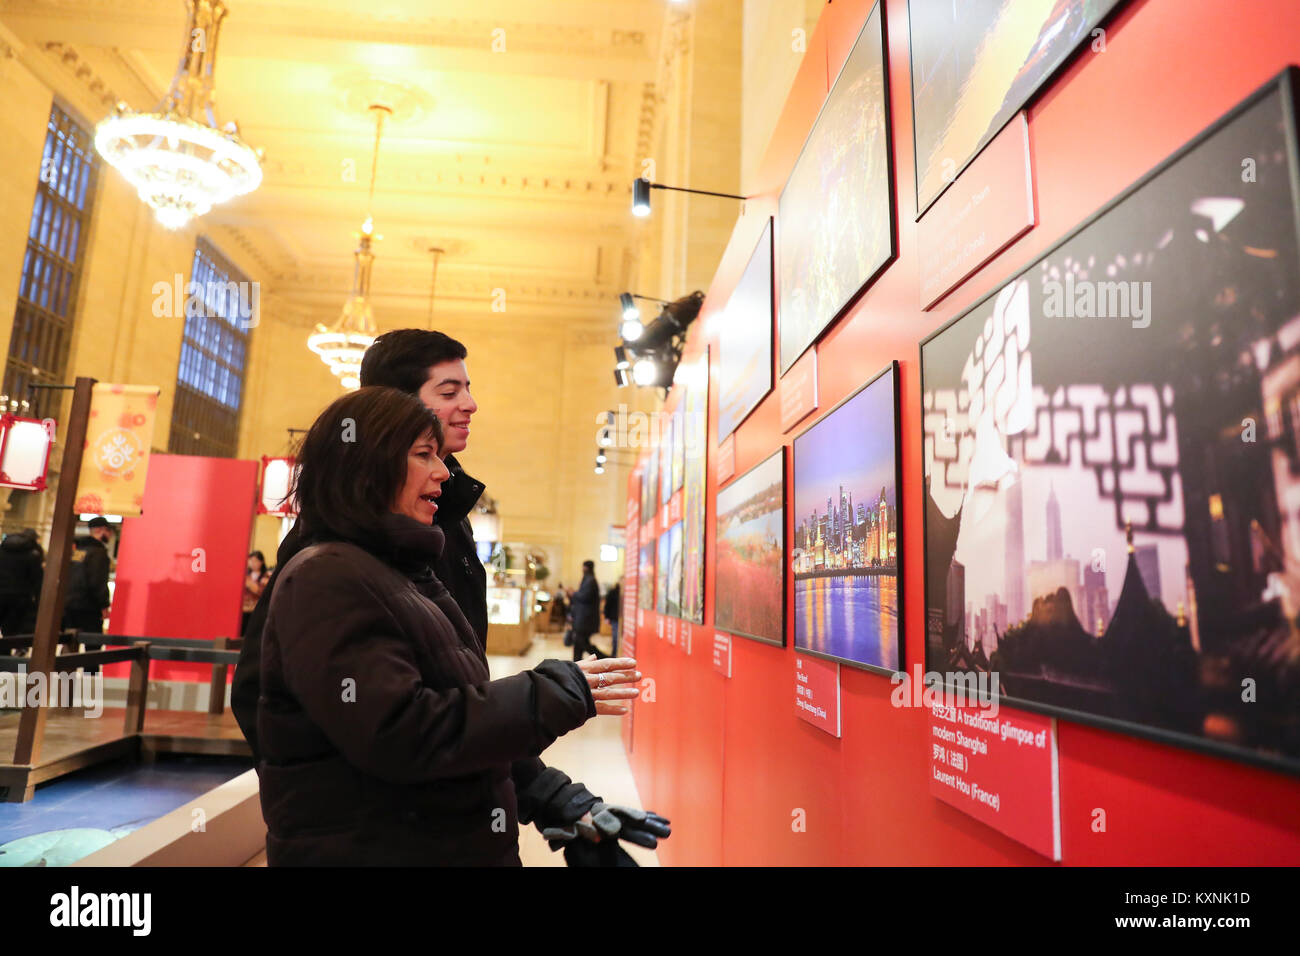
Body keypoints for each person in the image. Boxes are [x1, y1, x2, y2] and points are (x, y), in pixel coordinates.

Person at [234, 329, 669, 862]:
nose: (470, 404)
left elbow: (458, 702)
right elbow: (398, 729)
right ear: (383, 423)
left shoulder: (421, 545)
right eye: (448, 392)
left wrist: (556, 800)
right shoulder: (328, 568)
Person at [63, 516, 113, 638]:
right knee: (93, 643)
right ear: (101, 531)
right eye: (109, 531)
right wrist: (104, 605)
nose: (110, 535)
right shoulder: (98, 553)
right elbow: (97, 581)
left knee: (71, 640)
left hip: (70, 603)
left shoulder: (79, 550)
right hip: (89, 606)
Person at [0, 528, 43, 637]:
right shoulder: (33, 555)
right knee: (10, 631)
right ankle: (5, 652)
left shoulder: (2, 551)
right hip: (20, 597)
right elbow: (37, 579)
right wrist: (38, 600)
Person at [570, 560, 604, 662]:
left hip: (585, 620)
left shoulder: (590, 581)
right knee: (579, 643)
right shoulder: (588, 580)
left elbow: (584, 597)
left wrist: (573, 594)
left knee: (582, 642)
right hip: (583, 619)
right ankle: (576, 664)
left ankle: (603, 658)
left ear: (586, 568)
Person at [241, 551, 270, 637]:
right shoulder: (245, 574)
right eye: (251, 561)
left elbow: (263, 592)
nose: (253, 563)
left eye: (255, 561)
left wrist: (250, 585)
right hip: (244, 610)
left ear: (261, 562)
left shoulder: (266, 576)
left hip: (257, 610)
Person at [604, 581, 621, 657]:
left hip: (619, 618)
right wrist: (607, 617)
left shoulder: (623, 593)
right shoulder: (613, 592)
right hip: (615, 618)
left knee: (616, 637)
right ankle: (614, 654)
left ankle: (616, 654)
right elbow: (607, 605)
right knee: (615, 637)